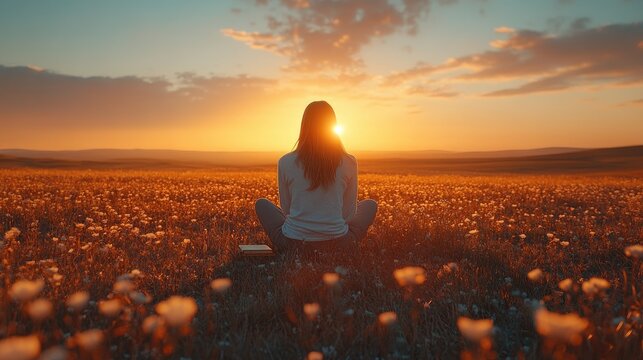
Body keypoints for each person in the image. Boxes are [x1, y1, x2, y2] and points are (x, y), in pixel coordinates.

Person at [255, 101, 377, 253]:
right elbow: (348, 213)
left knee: (261, 204)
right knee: (370, 205)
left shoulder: (285, 161)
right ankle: (344, 243)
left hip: (293, 243)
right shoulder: (349, 161)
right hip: (338, 243)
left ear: (304, 125)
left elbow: (286, 210)